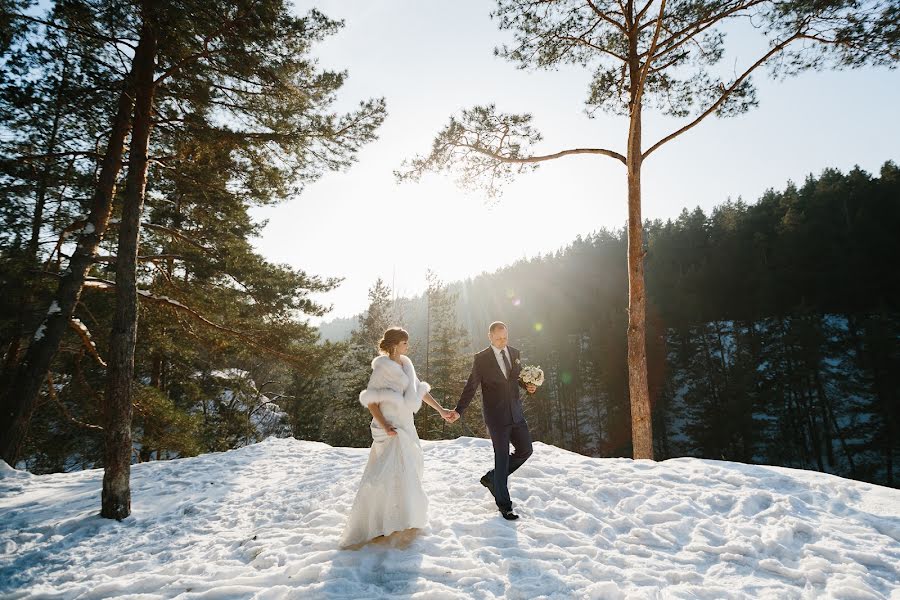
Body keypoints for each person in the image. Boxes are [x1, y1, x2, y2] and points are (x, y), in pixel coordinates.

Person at [339, 327, 453, 548]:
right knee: (385, 473)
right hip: (390, 426)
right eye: (404, 343)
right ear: (393, 345)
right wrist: (385, 425)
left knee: (409, 469)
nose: (407, 347)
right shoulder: (382, 369)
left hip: (406, 423)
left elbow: (419, 390)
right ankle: (379, 522)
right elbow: (371, 402)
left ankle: (404, 517)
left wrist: (441, 410)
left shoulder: (407, 364)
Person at [446, 321, 536, 520]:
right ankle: (505, 505)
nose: (503, 342)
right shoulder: (481, 359)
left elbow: (516, 379)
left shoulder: (515, 353)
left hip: (516, 414)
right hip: (496, 417)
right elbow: (471, 387)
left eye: (505, 338)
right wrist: (459, 411)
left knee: (526, 450)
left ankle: (493, 478)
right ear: (490, 337)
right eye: (498, 339)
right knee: (502, 457)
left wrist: (528, 386)